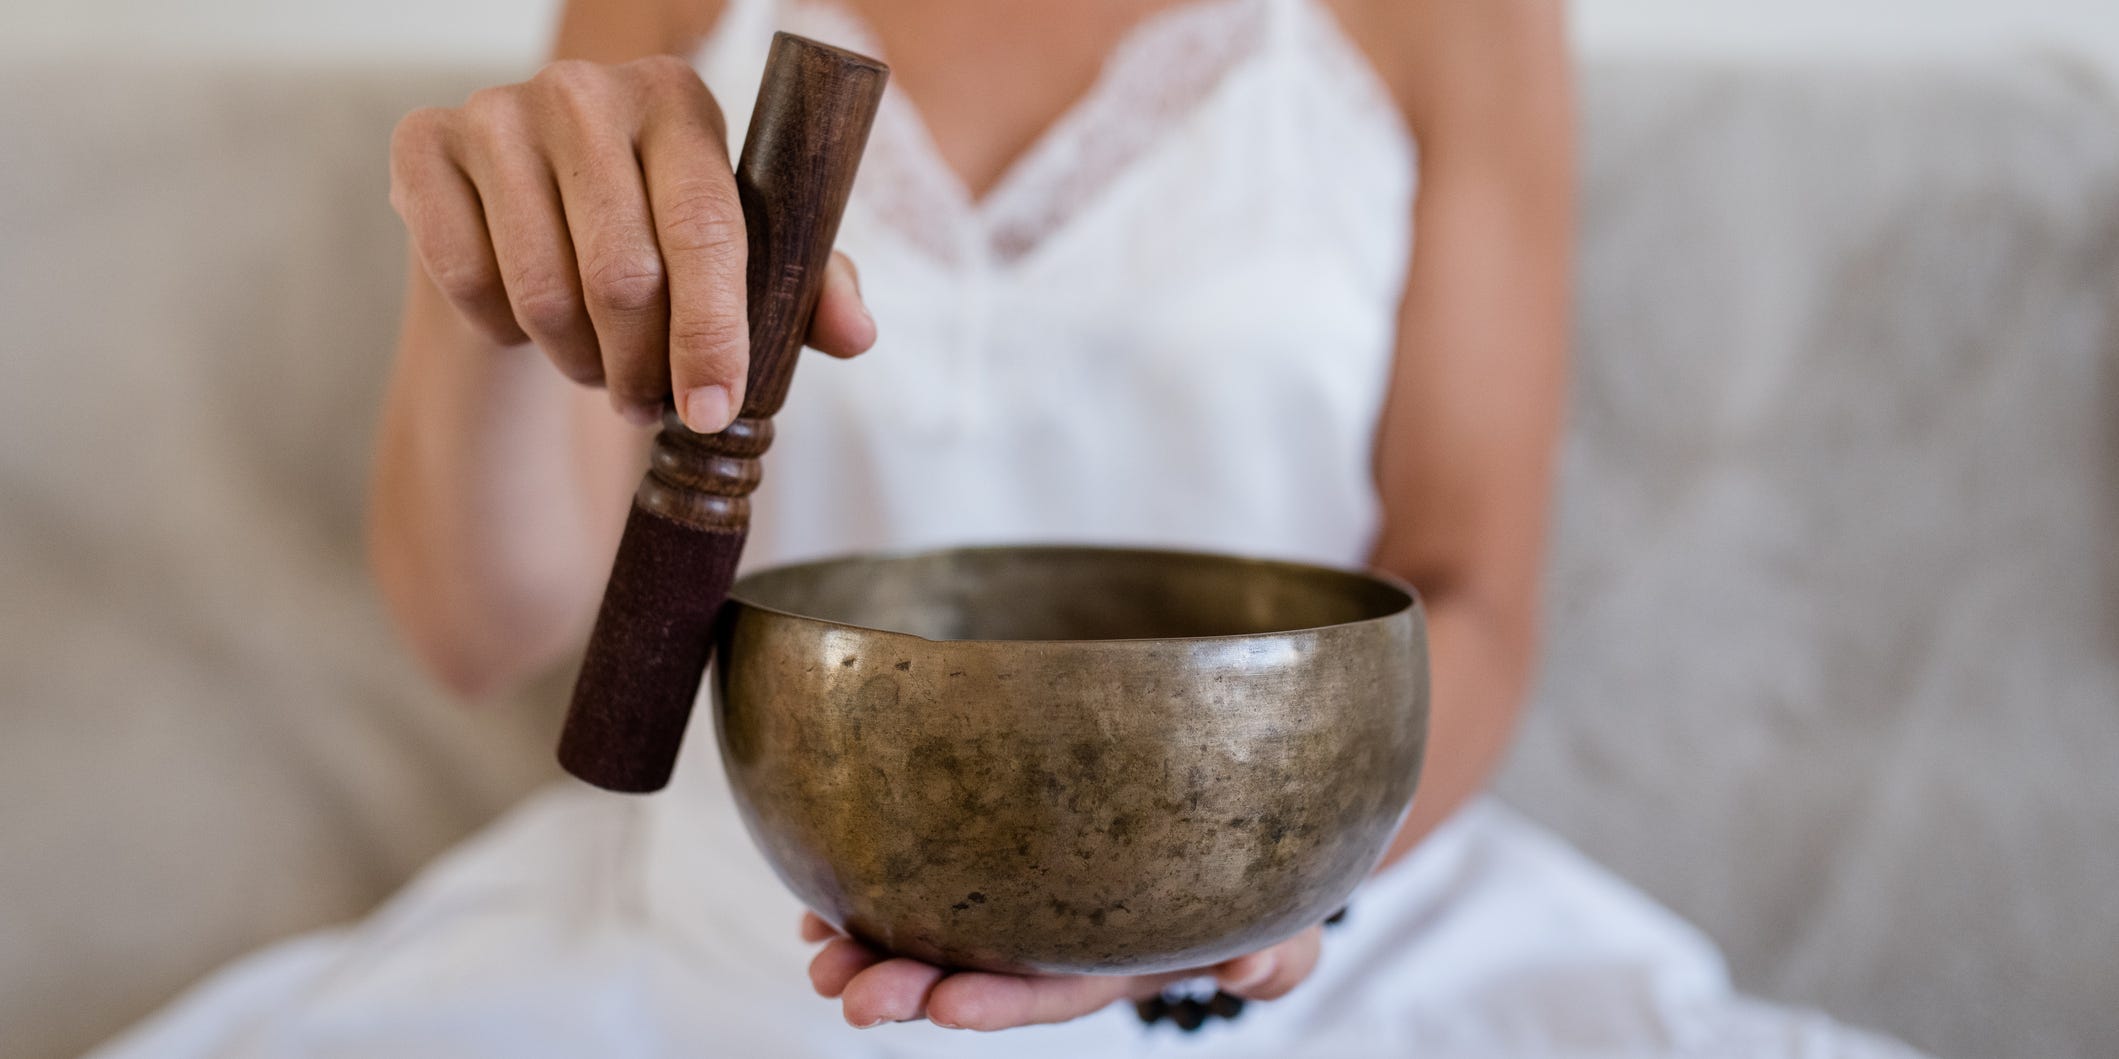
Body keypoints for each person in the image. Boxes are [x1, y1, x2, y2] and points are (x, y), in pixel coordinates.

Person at [95, 0, 1928, 1054]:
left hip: (1322, 909)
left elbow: (1475, 594)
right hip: (753, 914)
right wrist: (496, 302)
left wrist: (1268, 880)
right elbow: (481, 629)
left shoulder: (1446, 13)